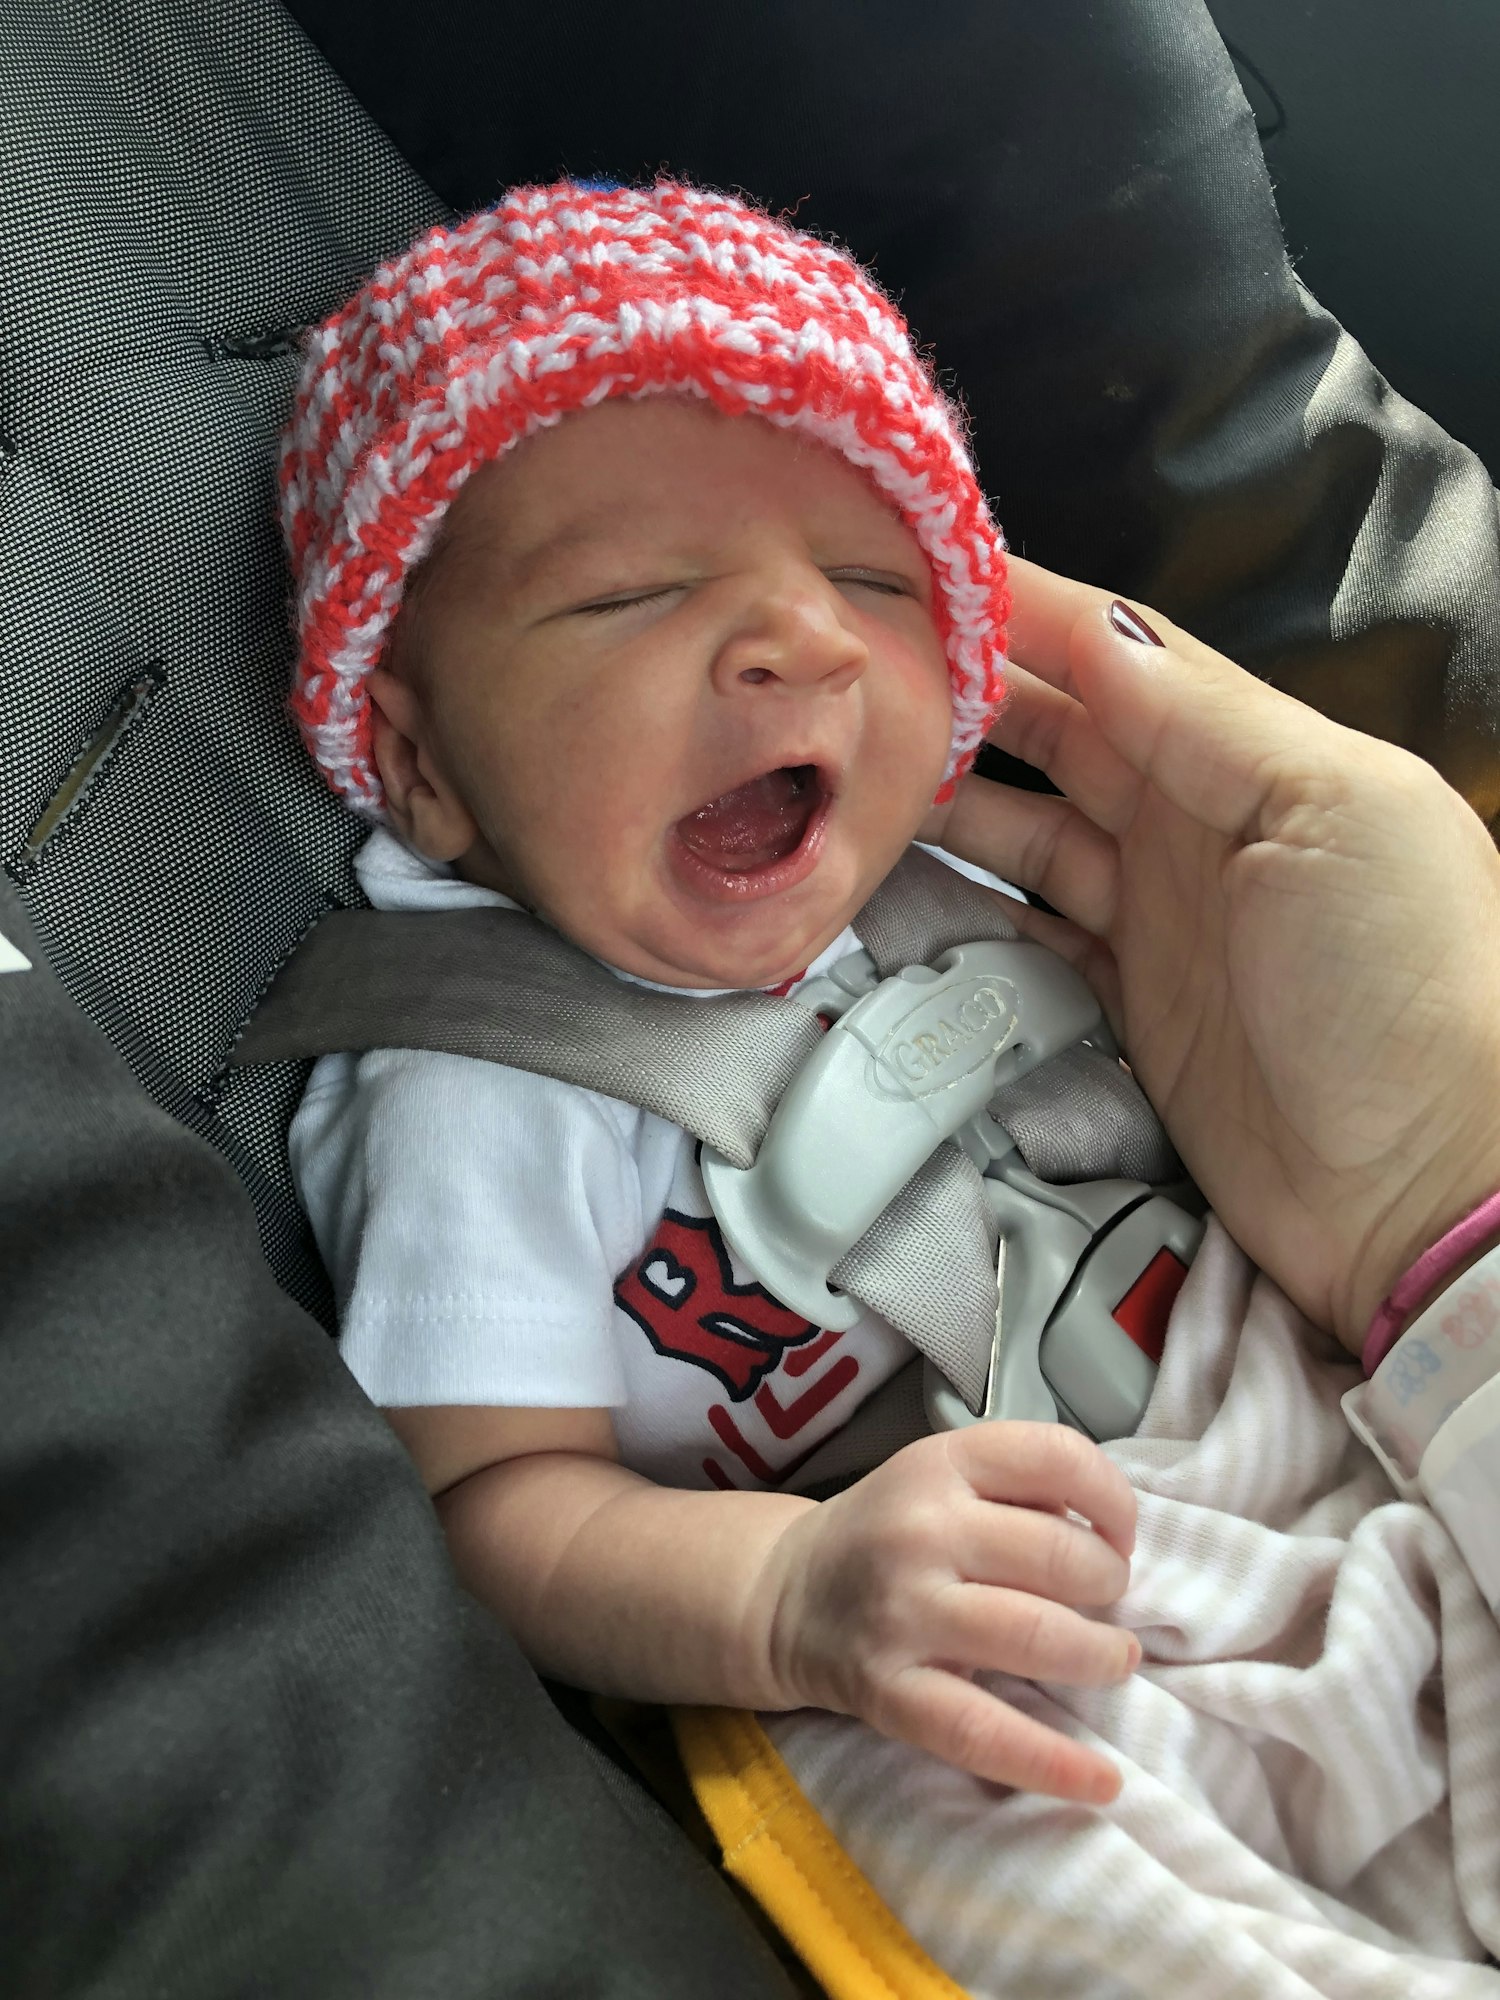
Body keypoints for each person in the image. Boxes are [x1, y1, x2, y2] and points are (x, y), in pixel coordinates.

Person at [281, 178, 1500, 1830]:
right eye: (632, 593)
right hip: (908, 1637)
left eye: (872, 578)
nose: (802, 637)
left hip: (1313, 1436)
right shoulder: (472, 1089)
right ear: (420, 764)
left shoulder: (981, 889)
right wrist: (791, 1594)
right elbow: (492, 1503)